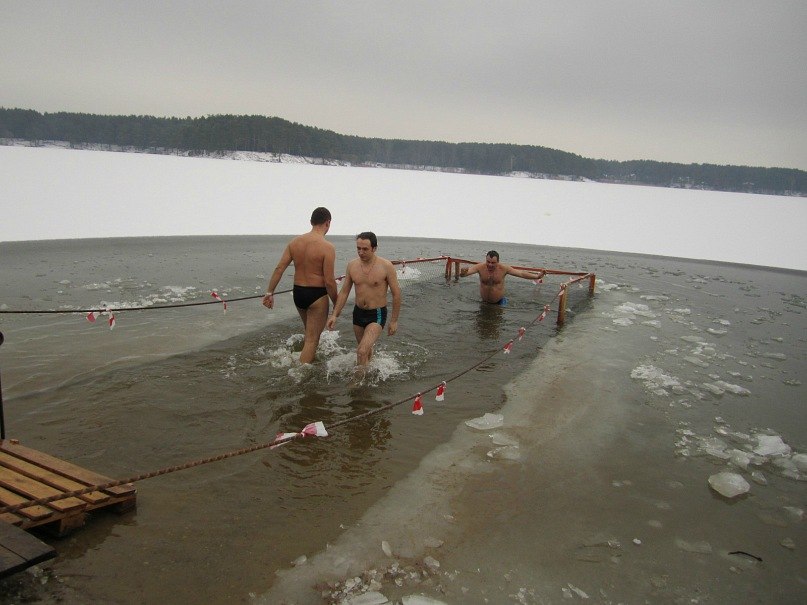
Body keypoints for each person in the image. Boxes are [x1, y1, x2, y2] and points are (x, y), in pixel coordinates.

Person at [262, 207, 338, 364]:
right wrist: (337, 304)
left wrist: (269, 293)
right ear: (328, 223)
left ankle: (308, 360)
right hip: (317, 295)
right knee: (312, 340)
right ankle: (300, 376)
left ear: (311, 222)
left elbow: (279, 268)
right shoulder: (327, 247)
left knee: (309, 334)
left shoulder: (294, 242)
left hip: (298, 293)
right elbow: (329, 281)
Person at [326, 232, 401, 376]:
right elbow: (344, 292)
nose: (361, 252)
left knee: (360, 351)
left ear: (374, 248)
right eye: (358, 248)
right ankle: (369, 372)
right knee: (365, 350)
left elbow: (396, 294)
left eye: (365, 249)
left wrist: (394, 321)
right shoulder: (352, 265)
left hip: (377, 314)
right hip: (358, 313)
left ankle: (358, 385)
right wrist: (334, 314)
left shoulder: (386, 266)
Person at [460, 250, 546, 305]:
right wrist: (463, 272)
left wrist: (537, 276)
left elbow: (521, 273)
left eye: (493, 263)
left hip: (499, 303)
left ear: (498, 262)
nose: (490, 265)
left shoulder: (504, 268)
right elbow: (464, 275)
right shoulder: (480, 267)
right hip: (484, 303)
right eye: (488, 262)